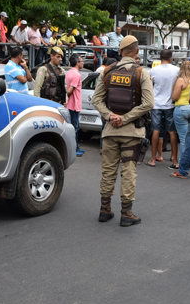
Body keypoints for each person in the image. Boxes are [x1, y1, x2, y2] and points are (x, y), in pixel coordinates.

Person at [93, 35, 153, 226]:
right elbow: (149, 103)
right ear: (137, 52)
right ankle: (126, 214)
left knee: (108, 171)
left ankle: (104, 210)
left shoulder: (107, 72)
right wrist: (125, 118)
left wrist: (110, 116)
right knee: (128, 171)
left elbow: (96, 100)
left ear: (119, 52)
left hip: (110, 132)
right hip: (132, 133)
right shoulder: (142, 73)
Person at [147, 49, 179, 168]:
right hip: (170, 104)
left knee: (156, 130)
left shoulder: (153, 71)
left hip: (156, 104)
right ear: (171, 58)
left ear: (160, 58)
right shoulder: (176, 70)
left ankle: (153, 159)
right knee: (172, 132)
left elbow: (150, 88)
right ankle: (174, 159)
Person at [172, 60, 190, 170]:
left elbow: (175, 97)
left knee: (183, 139)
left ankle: (183, 163)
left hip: (181, 109)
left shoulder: (181, 81)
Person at [66, 54, 85, 157]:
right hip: (74, 105)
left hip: (71, 104)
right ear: (77, 63)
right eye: (82, 61)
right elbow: (70, 91)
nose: (83, 63)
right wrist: (66, 97)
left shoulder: (69, 72)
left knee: (74, 126)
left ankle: (76, 147)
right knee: (75, 127)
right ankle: (74, 148)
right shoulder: (77, 75)